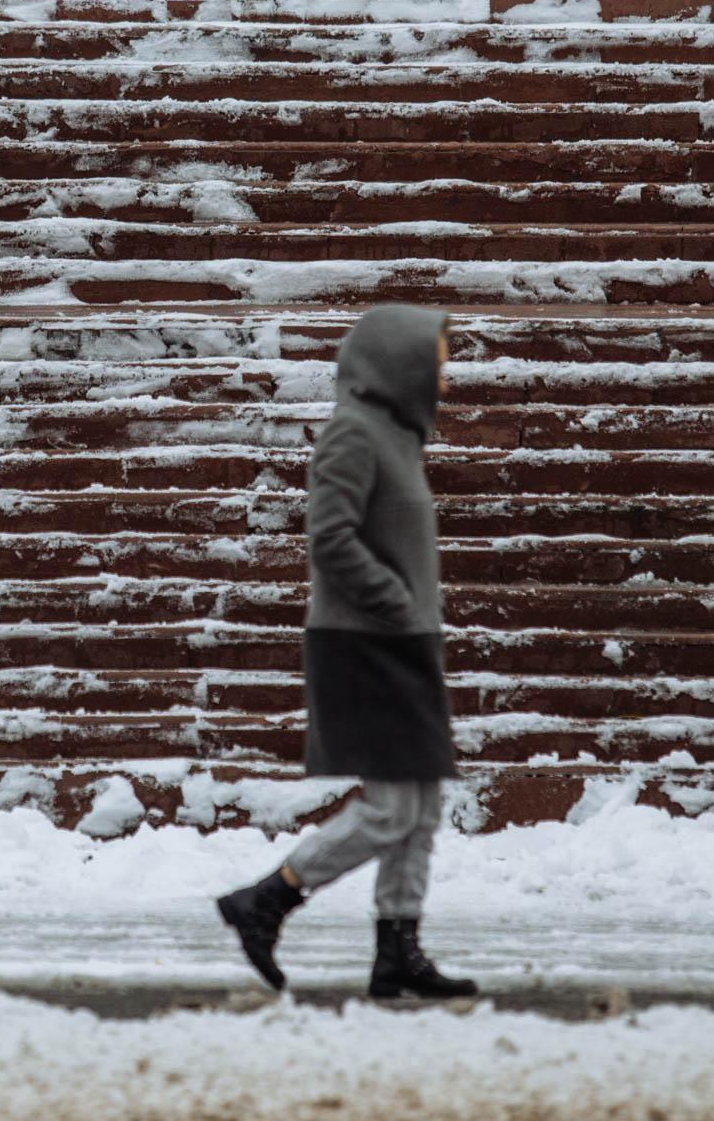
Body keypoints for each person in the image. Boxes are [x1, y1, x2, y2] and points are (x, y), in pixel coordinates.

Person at [216, 304, 477, 999]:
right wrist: (395, 603)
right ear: (400, 360)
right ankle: (267, 899)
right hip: (366, 644)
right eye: (438, 356)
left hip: (403, 641)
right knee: (393, 808)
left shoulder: (395, 436)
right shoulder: (352, 435)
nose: (445, 371)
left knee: (419, 806)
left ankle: (399, 950)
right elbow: (329, 539)